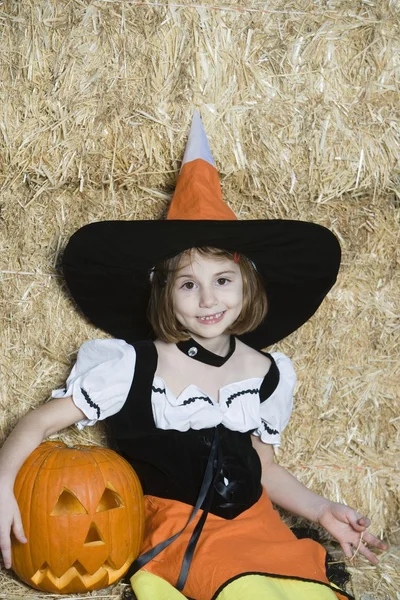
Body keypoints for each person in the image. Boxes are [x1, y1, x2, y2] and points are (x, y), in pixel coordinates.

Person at [0, 112, 387, 600]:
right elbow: (36, 424)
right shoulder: (132, 366)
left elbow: (263, 467)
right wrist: (3, 485)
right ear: (164, 294)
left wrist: (320, 510)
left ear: (247, 287)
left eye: (222, 280)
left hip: (256, 525)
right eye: (189, 284)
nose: (208, 300)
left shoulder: (267, 373)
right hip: (176, 529)